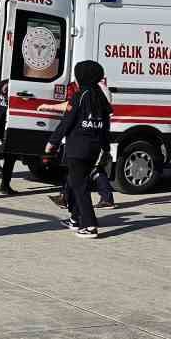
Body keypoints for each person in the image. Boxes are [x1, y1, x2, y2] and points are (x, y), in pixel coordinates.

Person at [46, 60, 112, 238]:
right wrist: (106, 149)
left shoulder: (79, 96)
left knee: (79, 186)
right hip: (94, 149)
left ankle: (90, 225)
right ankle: (75, 219)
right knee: (76, 181)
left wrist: (52, 142)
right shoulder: (101, 97)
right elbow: (106, 126)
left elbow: (67, 122)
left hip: (78, 148)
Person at [41, 76, 116, 209]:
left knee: (89, 170)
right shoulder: (100, 90)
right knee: (81, 170)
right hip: (96, 138)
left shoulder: (92, 92)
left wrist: (49, 107)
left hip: (87, 139)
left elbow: (70, 110)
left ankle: (104, 199)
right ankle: (65, 197)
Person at [0, 79, 21, 195]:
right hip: (7, 123)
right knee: (11, 154)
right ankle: (4, 184)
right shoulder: (18, 85)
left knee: (9, 152)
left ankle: (4, 184)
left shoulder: (0, 83)